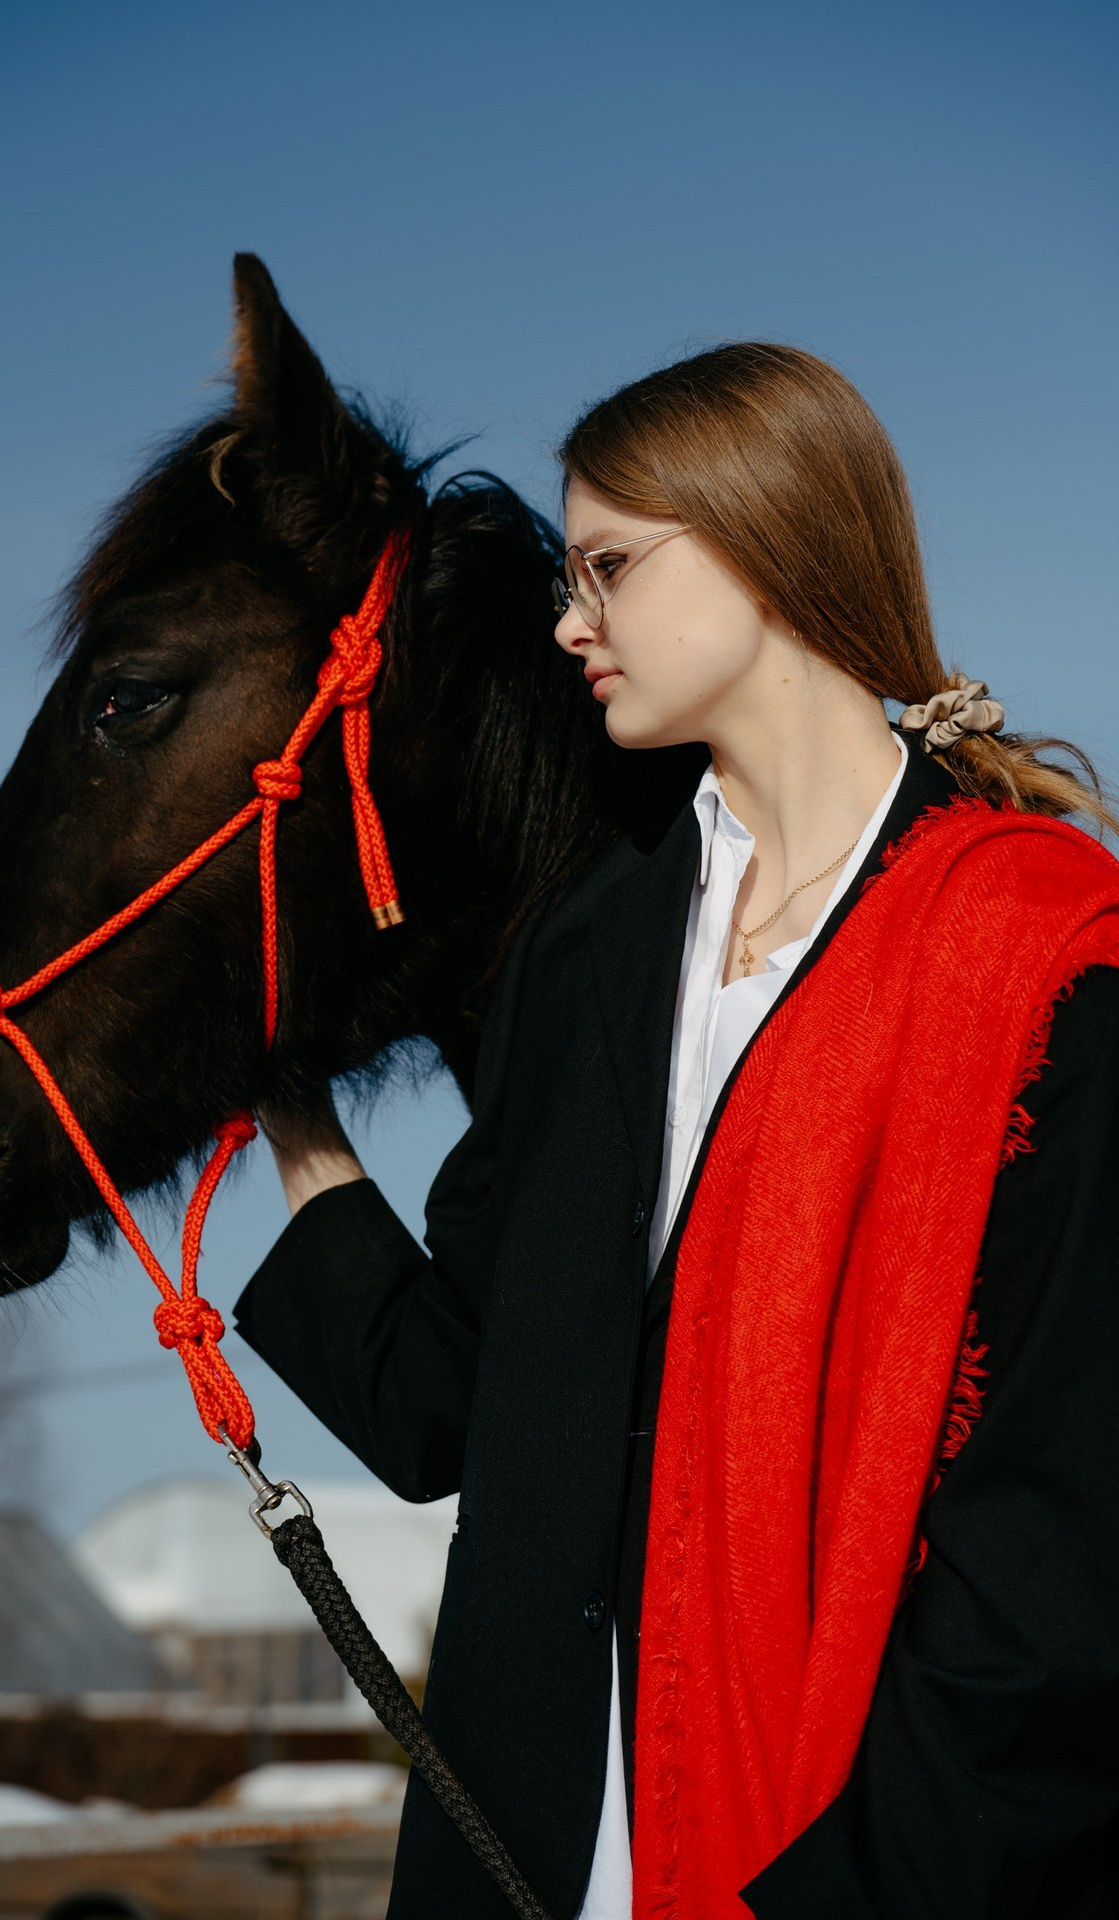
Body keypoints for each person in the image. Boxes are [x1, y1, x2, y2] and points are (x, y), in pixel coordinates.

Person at [233, 344, 1119, 1919]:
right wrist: (291, 1109)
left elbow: (1060, 1546)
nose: (572, 620)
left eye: (610, 567)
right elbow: (460, 1409)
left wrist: (859, 1890)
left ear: (769, 541)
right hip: (522, 1855)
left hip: (866, 1868)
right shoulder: (589, 953)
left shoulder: (1046, 957)